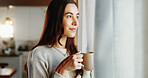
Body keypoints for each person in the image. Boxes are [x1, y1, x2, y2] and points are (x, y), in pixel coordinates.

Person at [26, 0, 91, 78]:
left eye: (77, 16)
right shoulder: (39, 54)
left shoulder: (73, 52)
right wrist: (62, 69)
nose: (76, 22)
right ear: (56, 19)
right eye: (69, 16)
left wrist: (87, 71)